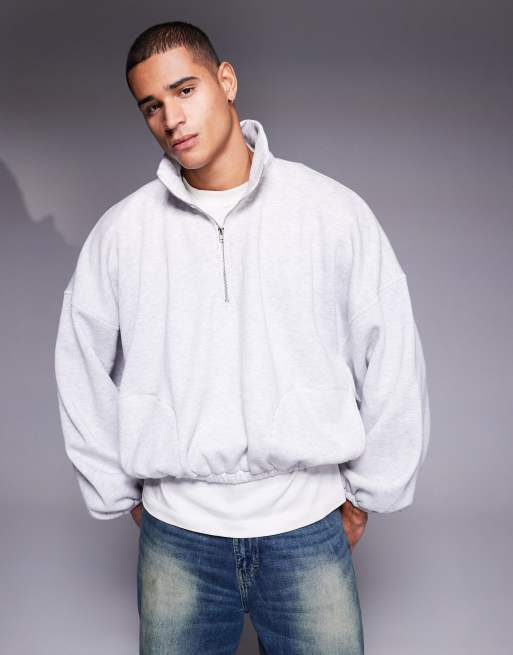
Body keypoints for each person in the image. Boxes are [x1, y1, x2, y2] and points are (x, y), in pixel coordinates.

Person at [54, 20, 430, 655]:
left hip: (306, 525)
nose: (171, 118)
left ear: (225, 81)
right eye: (151, 105)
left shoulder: (329, 211)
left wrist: (369, 493)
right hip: (177, 536)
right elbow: (79, 361)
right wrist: (120, 494)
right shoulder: (123, 232)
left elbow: (391, 349)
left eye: (185, 90)